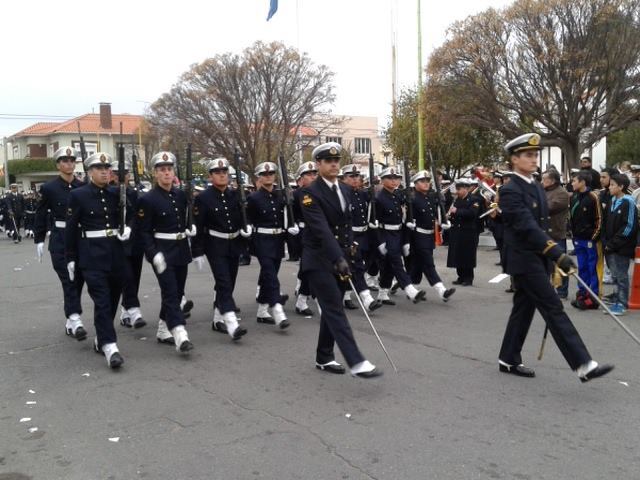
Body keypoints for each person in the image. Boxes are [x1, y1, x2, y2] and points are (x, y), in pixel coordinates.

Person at [498, 132, 613, 382]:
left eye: (535, 154)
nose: (534, 159)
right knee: (553, 307)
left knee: (523, 308)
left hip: (537, 257)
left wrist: (549, 254)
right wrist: (556, 253)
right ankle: (583, 364)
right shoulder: (510, 190)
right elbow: (526, 226)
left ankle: (508, 357)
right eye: (528, 155)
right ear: (514, 159)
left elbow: (542, 225)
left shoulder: (535, 186)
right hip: (523, 259)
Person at [299, 142, 382, 378]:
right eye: (328, 161)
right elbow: (321, 229)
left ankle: (324, 357)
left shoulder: (345, 190)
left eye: (336, 161)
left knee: (329, 308)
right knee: (335, 307)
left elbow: (346, 225)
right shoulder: (309, 193)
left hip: (341, 257)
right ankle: (356, 361)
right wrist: (338, 256)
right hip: (318, 259)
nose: (334, 164)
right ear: (319, 165)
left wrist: (351, 247)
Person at [65, 152, 131, 368]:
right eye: (99, 168)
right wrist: (71, 258)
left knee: (112, 300)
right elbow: (71, 229)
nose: (105, 171)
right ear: (90, 171)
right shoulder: (78, 195)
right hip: (91, 256)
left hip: (116, 254)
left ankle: (101, 338)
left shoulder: (116, 193)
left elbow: (130, 214)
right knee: (101, 301)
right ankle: (110, 346)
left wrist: (127, 227)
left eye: (107, 168)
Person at [136, 152, 194, 353]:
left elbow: (185, 218)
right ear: (155, 174)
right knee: (170, 292)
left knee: (177, 293)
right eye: (162, 170)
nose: (167, 173)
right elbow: (143, 232)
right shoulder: (148, 199)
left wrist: (189, 228)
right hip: (162, 251)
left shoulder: (180, 195)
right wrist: (153, 254)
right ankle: (180, 333)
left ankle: (162, 329)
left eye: (169, 169)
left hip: (181, 249)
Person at [191, 158, 249, 341]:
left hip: (234, 243)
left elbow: (242, 218)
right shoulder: (203, 198)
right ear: (210, 176)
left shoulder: (236, 195)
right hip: (214, 244)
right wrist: (197, 251)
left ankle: (217, 319)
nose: (222, 175)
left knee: (229, 282)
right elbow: (198, 227)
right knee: (223, 281)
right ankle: (232, 322)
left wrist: (246, 230)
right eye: (218, 172)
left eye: (225, 172)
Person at [34, 147, 86, 340]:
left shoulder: (83, 186)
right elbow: (41, 213)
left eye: (72, 160)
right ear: (58, 164)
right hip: (60, 239)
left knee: (78, 279)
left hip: (79, 239)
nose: (69, 163)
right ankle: (75, 318)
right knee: (68, 278)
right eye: (64, 160)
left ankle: (70, 321)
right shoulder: (49, 188)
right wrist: (39, 239)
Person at [247, 161, 297, 328]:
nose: (268, 177)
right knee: (271, 276)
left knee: (268, 275)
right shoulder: (253, 198)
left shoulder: (281, 196)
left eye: (270, 174)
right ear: (259, 178)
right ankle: (277, 310)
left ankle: (262, 311)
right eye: (264, 175)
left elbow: (288, 215)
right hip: (262, 240)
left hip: (277, 240)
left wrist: (291, 224)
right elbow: (249, 219)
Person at [374, 167, 426, 304]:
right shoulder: (379, 198)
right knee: (397, 263)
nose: (393, 181)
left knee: (388, 266)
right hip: (385, 234)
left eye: (396, 178)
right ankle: (410, 290)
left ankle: (382, 293)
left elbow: (402, 218)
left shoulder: (397, 196)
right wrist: (380, 241)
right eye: (390, 178)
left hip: (398, 233)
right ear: (382, 180)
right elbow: (374, 223)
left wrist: (406, 239)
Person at [406, 170, 456, 302]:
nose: (426, 183)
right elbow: (406, 218)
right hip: (417, 236)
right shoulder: (412, 198)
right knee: (428, 264)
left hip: (429, 237)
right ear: (415, 183)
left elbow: (436, 215)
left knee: (417, 265)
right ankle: (442, 291)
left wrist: (443, 223)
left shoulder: (430, 197)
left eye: (428, 181)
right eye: (422, 181)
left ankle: (405, 286)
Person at [340, 164, 382, 311]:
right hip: (348, 236)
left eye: (357, 176)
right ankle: (365, 298)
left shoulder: (361, 193)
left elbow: (373, 205)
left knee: (365, 263)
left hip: (364, 234)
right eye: (351, 176)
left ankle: (346, 294)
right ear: (343, 178)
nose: (355, 179)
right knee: (355, 266)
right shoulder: (341, 193)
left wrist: (373, 194)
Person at [109, 158, 146, 329]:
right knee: (127, 277)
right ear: (112, 174)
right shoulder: (108, 192)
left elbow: (139, 216)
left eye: (124, 174)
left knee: (135, 277)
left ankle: (125, 312)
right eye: (117, 174)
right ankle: (133, 310)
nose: (121, 177)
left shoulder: (135, 193)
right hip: (117, 242)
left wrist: (131, 227)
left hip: (134, 241)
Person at [602, 174, 638, 314]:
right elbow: (605, 223)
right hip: (610, 246)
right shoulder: (612, 201)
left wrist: (614, 243)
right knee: (615, 276)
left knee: (621, 276)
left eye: (612, 185)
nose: (609, 187)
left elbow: (629, 226)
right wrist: (605, 241)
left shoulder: (628, 202)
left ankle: (622, 304)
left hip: (622, 247)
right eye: (609, 184)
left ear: (621, 187)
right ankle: (616, 300)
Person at [569, 171, 603, 309]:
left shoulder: (593, 197)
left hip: (590, 240)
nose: (572, 183)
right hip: (578, 239)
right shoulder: (574, 197)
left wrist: (593, 237)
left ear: (583, 182)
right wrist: (573, 234)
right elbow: (571, 218)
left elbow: (599, 219)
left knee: (592, 268)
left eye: (574, 181)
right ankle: (582, 293)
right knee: (582, 267)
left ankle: (593, 297)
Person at [292, 161, 318, 316]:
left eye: (315, 173)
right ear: (301, 179)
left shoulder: (320, 193)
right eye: (309, 174)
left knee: (310, 269)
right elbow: (291, 215)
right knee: (308, 268)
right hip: (301, 233)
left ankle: (305, 295)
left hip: (317, 233)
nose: (313, 177)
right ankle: (302, 300)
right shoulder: (296, 195)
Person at [541, 169, 570, 299]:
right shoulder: (544, 191)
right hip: (544, 233)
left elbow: (549, 208)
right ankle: (546, 290)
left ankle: (562, 292)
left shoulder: (561, 193)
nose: (542, 182)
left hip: (557, 233)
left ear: (552, 180)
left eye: (544, 179)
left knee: (560, 264)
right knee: (544, 264)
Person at [446, 178, 480, 286]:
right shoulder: (457, 200)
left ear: (466, 189)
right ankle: (460, 276)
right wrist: (449, 215)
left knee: (467, 255)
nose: (457, 191)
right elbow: (453, 213)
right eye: (457, 189)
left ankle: (468, 278)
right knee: (458, 254)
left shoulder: (474, 200)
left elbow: (472, 213)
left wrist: (457, 211)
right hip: (457, 231)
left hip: (468, 232)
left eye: (459, 189)